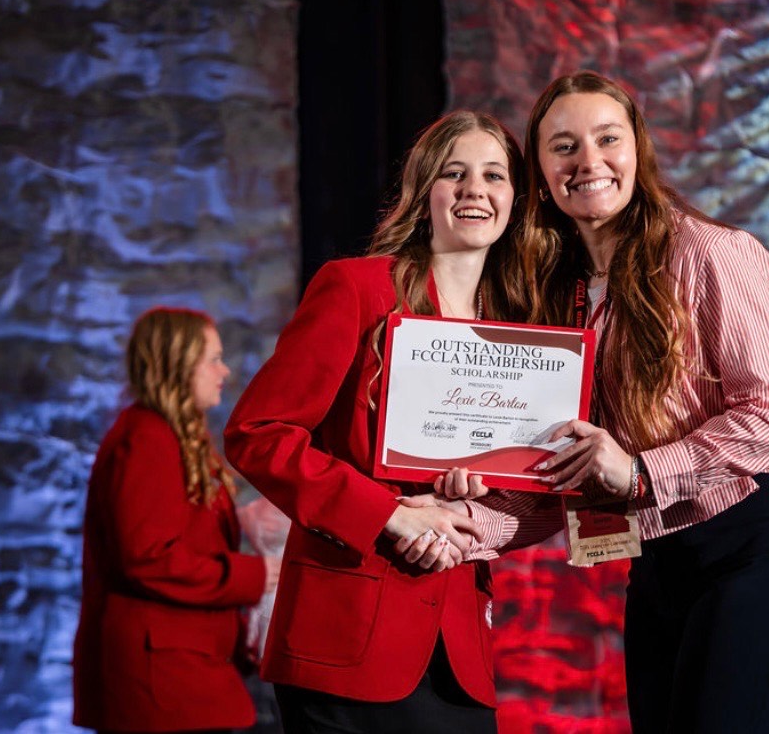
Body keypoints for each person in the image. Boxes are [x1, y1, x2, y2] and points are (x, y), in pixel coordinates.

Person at [432, 70, 769, 733]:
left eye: (606, 139)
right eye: (563, 146)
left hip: (761, 545)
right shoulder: (551, 299)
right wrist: (458, 526)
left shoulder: (712, 252)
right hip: (658, 567)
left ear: (637, 150)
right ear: (538, 171)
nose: (588, 161)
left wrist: (646, 473)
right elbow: (554, 478)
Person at [223, 110, 543, 733]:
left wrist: (476, 506)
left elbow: (515, 483)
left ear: (514, 201)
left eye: (494, 175)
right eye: (455, 173)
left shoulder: (522, 337)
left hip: (458, 653)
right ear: (425, 195)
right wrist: (390, 514)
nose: (476, 188)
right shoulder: (356, 288)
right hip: (344, 634)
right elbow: (257, 434)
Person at [73, 307, 282, 733]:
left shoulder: (169, 434)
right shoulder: (147, 438)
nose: (224, 370)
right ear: (177, 363)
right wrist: (256, 575)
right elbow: (148, 558)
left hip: (182, 668)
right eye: (212, 359)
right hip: (162, 682)